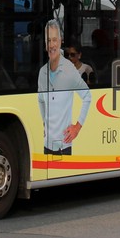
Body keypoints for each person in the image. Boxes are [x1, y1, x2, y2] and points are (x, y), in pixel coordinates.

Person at [37, 19, 92, 155]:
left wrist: (77, 127)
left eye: (54, 40)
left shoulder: (69, 69)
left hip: (64, 145)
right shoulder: (42, 72)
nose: (51, 45)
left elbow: (87, 96)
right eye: (48, 40)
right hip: (47, 144)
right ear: (45, 44)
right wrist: (44, 124)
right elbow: (41, 100)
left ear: (60, 41)